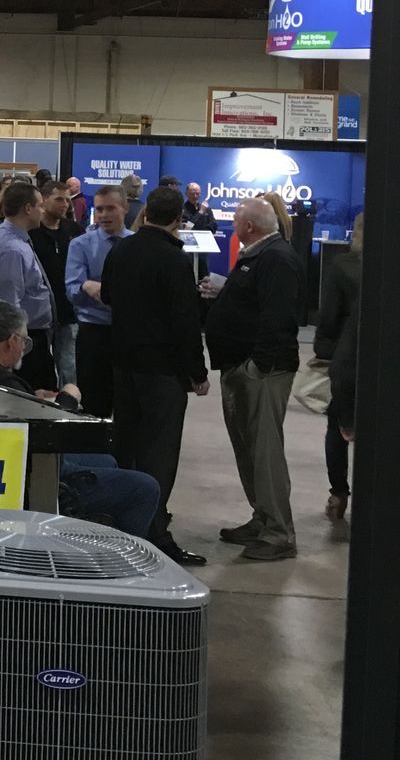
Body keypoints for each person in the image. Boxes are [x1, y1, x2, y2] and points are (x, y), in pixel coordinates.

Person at [0, 299, 160, 540]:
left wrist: (32, 398)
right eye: (24, 341)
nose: (23, 349)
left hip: (1, 463)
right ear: (11, 341)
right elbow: (47, 433)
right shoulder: (5, 383)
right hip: (38, 472)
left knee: (106, 460)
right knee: (145, 488)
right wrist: (68, 399)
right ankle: (122, 552)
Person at [101, 183, 209, 566]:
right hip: (162, 371)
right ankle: (155, 532)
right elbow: (185, 322)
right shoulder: (175, 261)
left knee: (127, 445)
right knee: (160, 453)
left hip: (123, 365)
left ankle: (122, 522)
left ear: (144, 213)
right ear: (179, 218)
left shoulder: (121, 250)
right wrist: (197, 372)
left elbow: (107, 296)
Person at [204, 195, 303, 561]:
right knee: (248, 450)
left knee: (264, 453)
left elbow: (279, 318)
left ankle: (278, 533)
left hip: (262, 372)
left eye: (236, 220)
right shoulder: (257, 256)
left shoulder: (276, 258)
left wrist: (256, 367)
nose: (232, 225)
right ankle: (262, 518)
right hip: (242, 367)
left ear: (249, 226)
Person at [0, 182, 58, 391]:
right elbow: (7, 305)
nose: (43, 210)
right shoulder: (12, 249)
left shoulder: (15, 240)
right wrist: (19, 346)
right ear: (28, 208)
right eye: (40, 205)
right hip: (23, 342)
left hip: (29, 338)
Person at [314, 214, 362, 526]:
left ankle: (339, 492)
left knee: (338, 427)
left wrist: (325, 352)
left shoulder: (342, 267)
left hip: (348, 358)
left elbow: (328, 316)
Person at [66, 185, 129, 419]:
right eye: (100, 209)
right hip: (94, 333)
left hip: (129, 333)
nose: (104, 215)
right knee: (94, 403)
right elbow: (72, 289)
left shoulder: (136, 244)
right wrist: (86, 286)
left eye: (110, 208)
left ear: (124, 208)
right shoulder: (80, 245)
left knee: (128, 401)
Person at [31, 184, 81, 389]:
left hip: (68, 311)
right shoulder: (32, 233)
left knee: (69, 366)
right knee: (39, 366)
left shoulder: (74, 231)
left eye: (67, 200)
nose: (65, 204)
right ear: (44, 200)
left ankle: (69, 401)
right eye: (59, 199)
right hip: (40, 313)